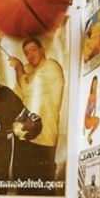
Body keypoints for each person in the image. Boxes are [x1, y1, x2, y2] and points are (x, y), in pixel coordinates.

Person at [9, 38, 65, 184]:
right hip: (24, 136)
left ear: (42, 50)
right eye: (26, 52)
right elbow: (17, 97)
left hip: (43, 139)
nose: (30, 54)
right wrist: (23, 71)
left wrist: (19, 68)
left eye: (33, 49)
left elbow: (29, 87)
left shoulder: (51, 66)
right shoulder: (28, 70)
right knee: (20, 180)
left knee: (41, 185)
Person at [83, 76, 100, 145]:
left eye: (96, 84)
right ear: (91, 85)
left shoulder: (95, 94)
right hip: (86, 120)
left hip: (89, 118)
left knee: (97, 120)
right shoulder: (90, 95)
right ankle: (89, 135)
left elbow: (93, 108)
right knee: (97, 120)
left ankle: (89, 135)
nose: (94, 86)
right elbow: (86, 109)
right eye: (93, 84)